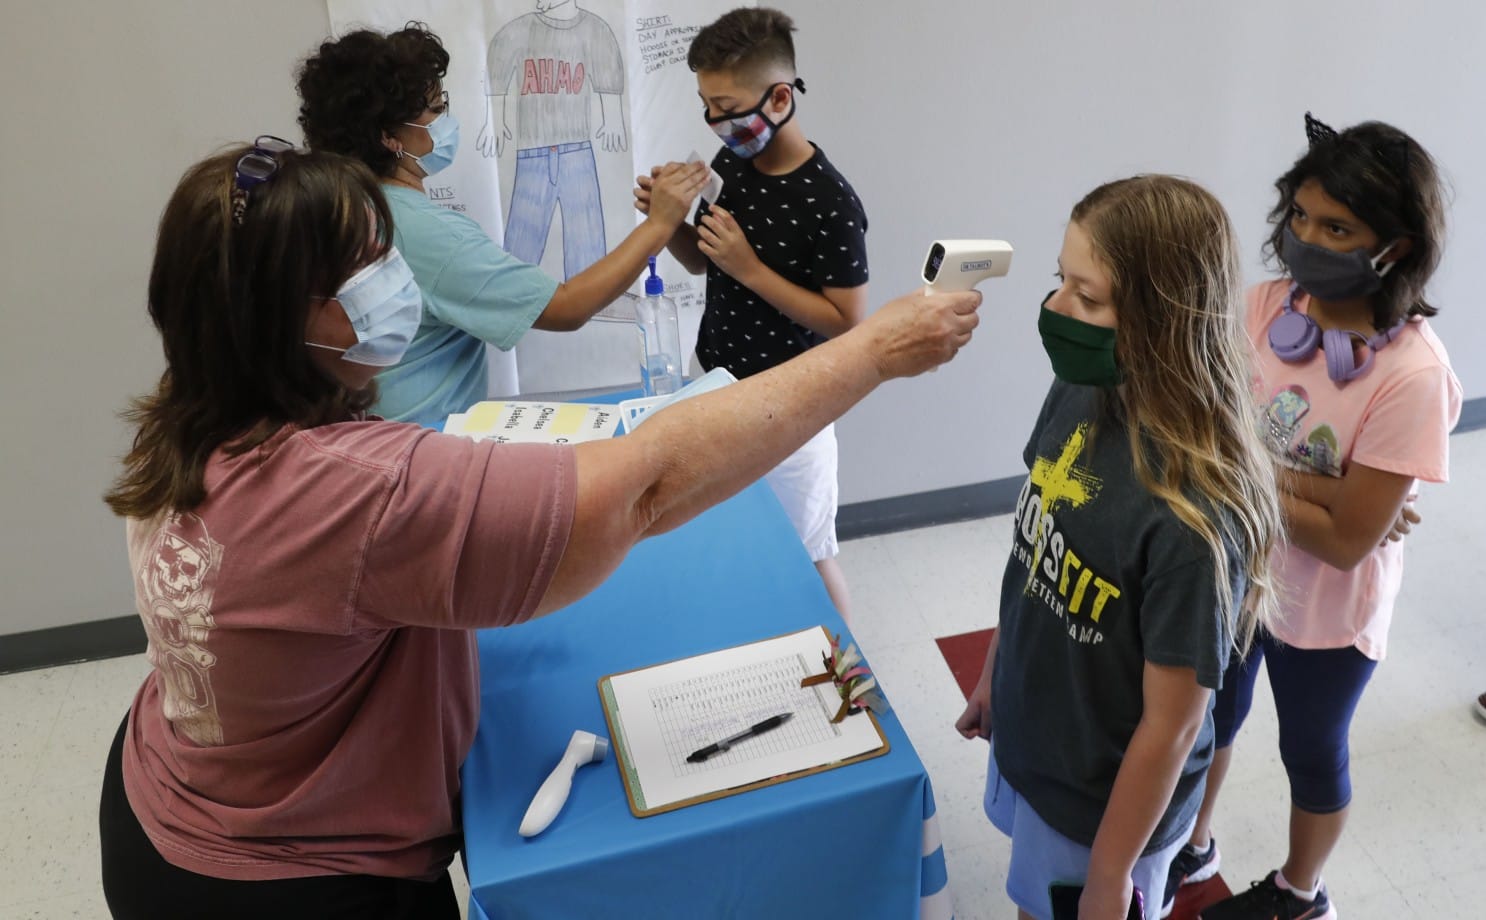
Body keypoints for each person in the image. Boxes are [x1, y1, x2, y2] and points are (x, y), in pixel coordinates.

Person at [96, 142, 978, 919]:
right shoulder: (351, 491)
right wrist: (874, 353)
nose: (394, 277)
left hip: (166, 791)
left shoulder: (192, 413)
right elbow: (644, 488)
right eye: (368, 265)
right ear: (290, 317)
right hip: (286, 877)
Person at [954, 175, 1284, 920]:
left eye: (1088, 296)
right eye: (1058, 282)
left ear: (1163, 322)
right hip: (1043, 743)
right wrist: (996, 673)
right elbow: (1034, 551)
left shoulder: (1191, 518)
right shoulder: (1081, 392)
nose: (1055, 309)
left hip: (1105, 810)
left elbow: (1172, 727)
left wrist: (1109, 876)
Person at [1170, 116, 1461, 920]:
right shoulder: (1265, 305)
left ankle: (1301, 893)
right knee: (1208, 719)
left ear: (1394, 246)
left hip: (1326, 612)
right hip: (1233, 570)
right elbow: (1200, 427)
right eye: (1299, 216)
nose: (1306, 238)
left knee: (1311, 748)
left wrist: (1248, 469)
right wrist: (1323, 489)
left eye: (1337, 227)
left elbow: (1343, 544)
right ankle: (1191, 845)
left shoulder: (1413, 376)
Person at [295, 23, 711, 427]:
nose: (446, 122)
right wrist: (659, 225)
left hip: (355, 439)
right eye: (436, 111)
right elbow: (566, 308)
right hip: (415, 451)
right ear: (390, 137)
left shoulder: (332, 205)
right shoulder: (421, 232)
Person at [634, 7, 868, 617]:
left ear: (781, 97)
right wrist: (668, 223)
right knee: (723, 538)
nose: (716, 121)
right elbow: (703, 263)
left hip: (794, 406)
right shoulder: (732, 166)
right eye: (706, 104)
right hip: (713, 381)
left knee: (809, 554)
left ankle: (847, 686)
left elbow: (847, 324)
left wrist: (751, 271)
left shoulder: (831, 201)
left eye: (728, 105)